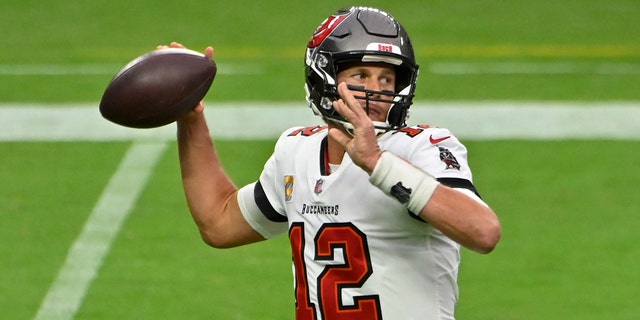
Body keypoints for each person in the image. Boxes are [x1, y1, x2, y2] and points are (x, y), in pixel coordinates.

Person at [169, 6, 501, 320]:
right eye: (361, 75)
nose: (377, 90)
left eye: (387, 79)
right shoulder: (297, 152)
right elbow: (218, 223)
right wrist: (191, 120)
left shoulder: (419, 148)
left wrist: (378, 164)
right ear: (323, 77)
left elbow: (483, 232)